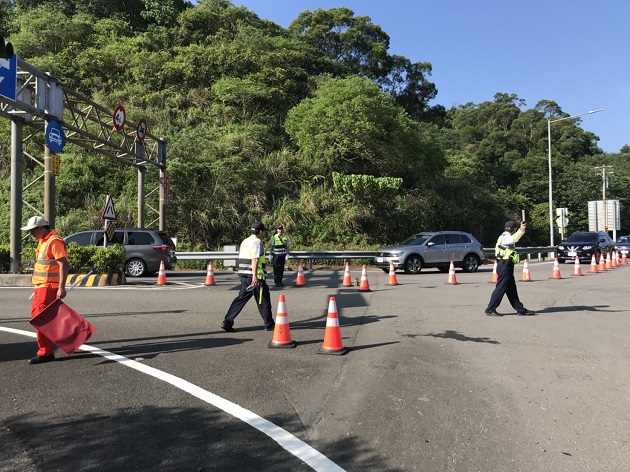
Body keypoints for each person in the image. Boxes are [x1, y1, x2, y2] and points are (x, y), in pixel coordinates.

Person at [21, 216, 69, 364]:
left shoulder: (53, 241)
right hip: (42, 287)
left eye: (32, 231)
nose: (31, 234)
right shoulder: (44, 241)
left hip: (48, 288)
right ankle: (51, 347)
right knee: (44, 319)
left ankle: (46, 352)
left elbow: (64, 264)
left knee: (40, 320)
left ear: (41, 228)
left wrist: (61, 287)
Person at [222, 221, 275, 332]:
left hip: (244, 275)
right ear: (260, 231)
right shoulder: (257, 242)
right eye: (263, 232)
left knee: (240, 299)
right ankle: (269, 324)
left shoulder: (245, 241)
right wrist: (255, 276)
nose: (263, 234)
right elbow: (255, 259)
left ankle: (227, 321)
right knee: (264, 300)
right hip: (255, 276)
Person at [485, 220, 536, 317]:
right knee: (500, 288)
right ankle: (490, 309)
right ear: (514, 229)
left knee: (511, 289)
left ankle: (520, 309)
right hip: (504, 266)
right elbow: (513, 240)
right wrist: (522, 230)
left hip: (505, 265)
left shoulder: (503, 235)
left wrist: (520, 229)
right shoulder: (507, 237)